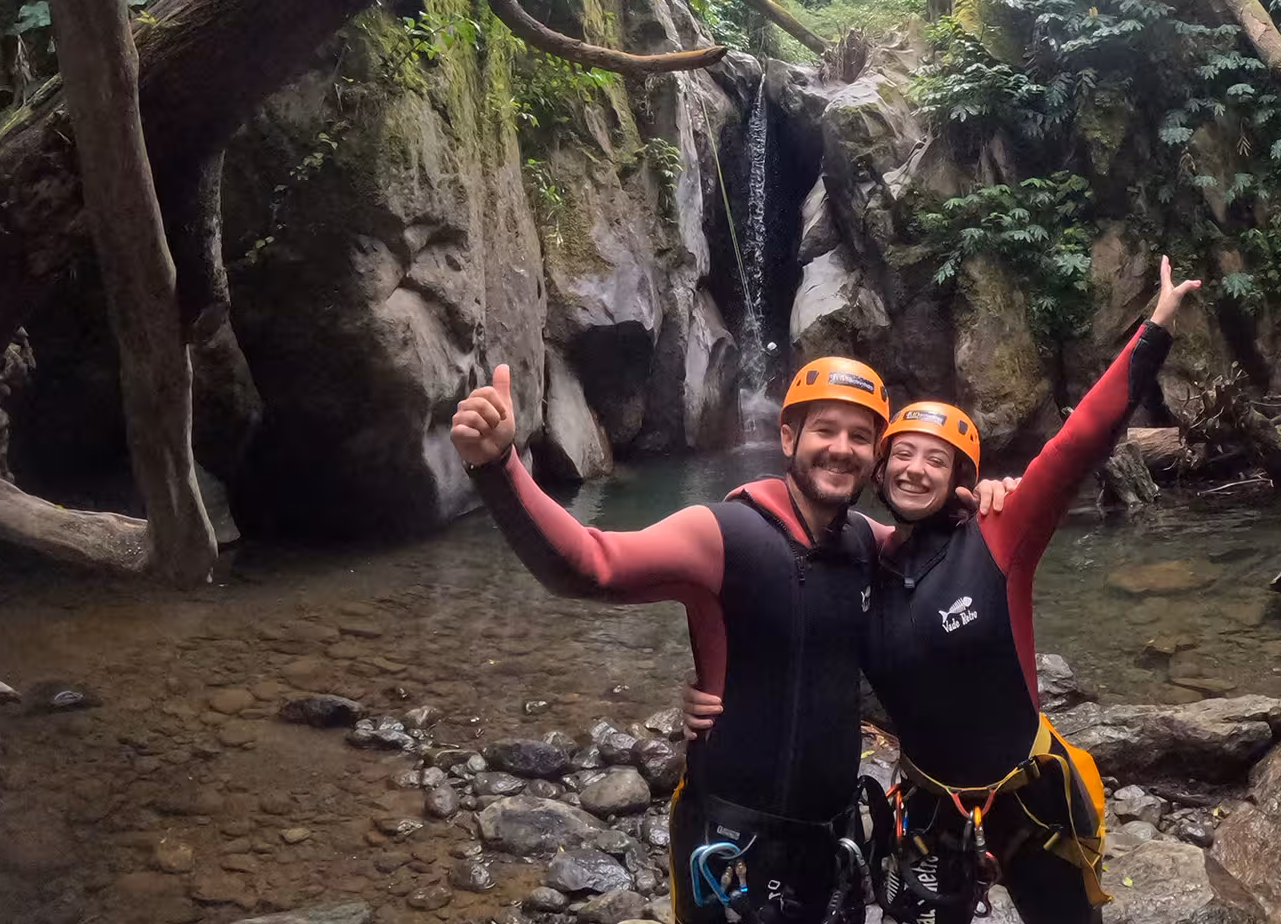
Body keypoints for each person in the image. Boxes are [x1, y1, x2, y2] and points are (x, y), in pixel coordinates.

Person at [684, 257, 1202, 923]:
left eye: (937, 459)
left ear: (962, 475)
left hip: (1027, 793)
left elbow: (1078, 444)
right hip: (926, 805)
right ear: (878, 465)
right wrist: (712, 688)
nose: (914, 468)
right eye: (901, 452)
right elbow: (785, 602)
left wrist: (1155, 326)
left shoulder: (999, 533)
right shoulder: (866, 554)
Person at [449, 356, 1016, 924]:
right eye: (825, 429)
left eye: (860, 437)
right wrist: (499, 466)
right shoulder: (722, 533)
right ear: (788, 435)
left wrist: (988, 503)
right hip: (729, 847)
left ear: (875, 457)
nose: (842, 448)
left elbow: (939, 555)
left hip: (833, 841)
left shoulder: (869, 544)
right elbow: (591, 565)